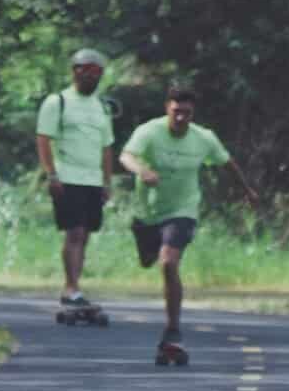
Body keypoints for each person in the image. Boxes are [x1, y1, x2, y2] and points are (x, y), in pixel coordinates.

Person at [119, 83, 258, 357]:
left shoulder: (203, 138)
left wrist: (247, 191)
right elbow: (126, 156)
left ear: (193, 113)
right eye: (176, 112)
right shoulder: (149, 131)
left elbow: (226, 162)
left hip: (183, 210)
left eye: (187, 113)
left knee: (169, 262)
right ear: (166, 109)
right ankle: (145, 243)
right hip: (148, 213)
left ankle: (173, 329)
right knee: (148, 259)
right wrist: (142, 170)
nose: (181, 118)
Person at [35, 47, 116, 311]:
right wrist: (51, 174)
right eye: (88, 70)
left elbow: (106, 147)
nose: (93, 77)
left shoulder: (102, 106)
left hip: (93, 180)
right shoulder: (57, 101)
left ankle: (75, 286)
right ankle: (71, 287)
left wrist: (107, 181)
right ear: (75, 71)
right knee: (75, 232)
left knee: (86, 234)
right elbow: (44, 139)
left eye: (97, 72)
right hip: (67, 177)